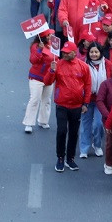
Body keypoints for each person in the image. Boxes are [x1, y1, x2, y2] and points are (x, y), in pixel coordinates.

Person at [43, 41, 92, 172]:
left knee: (74, 133)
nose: (64, 54)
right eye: (63, 52)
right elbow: (47, 82)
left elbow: (88, 85)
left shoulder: (83, 67)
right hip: (62, 104)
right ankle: (60, 158)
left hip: (76, 106)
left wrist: (86, 103)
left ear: (74, 53)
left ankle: (70, 159)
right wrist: (51, 70)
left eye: (67, 53)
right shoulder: (57, 64)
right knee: (61, 131)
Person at [79, 44, 109, 159]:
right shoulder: (83, 64)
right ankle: (84, 149)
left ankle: (97, 145)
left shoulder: (107, 64)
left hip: (101, 100)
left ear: (100, 52)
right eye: (91, 52)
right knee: (85, 125)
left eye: (96, 52)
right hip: (86, 99)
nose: (94, 54)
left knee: (98, 124)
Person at [23, 29, 56, 133]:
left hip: (49, 76)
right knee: (34, 100)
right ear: (43, 37)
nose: (51, 36)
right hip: (36, 78)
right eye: (48, 35)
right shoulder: (35, 46)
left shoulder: (53, 44)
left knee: (46, 100)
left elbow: (56, 57)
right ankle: (29, 123)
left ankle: (43, 120)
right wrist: (39, 51)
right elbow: (33, 60)